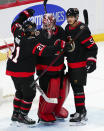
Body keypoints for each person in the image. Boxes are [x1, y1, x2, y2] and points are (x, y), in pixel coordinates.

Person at [6, 9, 65, 125]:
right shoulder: (31, 42)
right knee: (29, 94)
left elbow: (16, 22)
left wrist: (25, 14)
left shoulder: (17, 32)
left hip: (11, 70)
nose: (35, 31)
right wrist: (59, 46)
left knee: (19, 92)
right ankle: (23, 116)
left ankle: (15, 114)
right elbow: (45, 51)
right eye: (33, 30)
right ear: (29, 31)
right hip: (24, 72)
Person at [36, 13, 73, 122]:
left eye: (48, 23)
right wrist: (56, 46)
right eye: (44, 23)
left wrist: (67, 45)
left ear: (53, 22)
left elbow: (65, 44)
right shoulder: (39, 34)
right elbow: (43, 50)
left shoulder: (60, 30)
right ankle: (43, 112)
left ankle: (57, 109)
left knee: (61, 90)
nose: (46, 26)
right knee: (48, 93)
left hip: (59, 68)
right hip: (45, 70)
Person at [65, 8, 98, 123]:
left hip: (80, 65)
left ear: (77, 17)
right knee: (75, 88)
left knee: (78, 88)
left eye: (72, 17)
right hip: (71, 64)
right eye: (68, 17)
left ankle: (81, 112)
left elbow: (93, 47)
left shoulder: (82, 30)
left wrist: (91, 61)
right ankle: (80, 110)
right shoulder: (67, 28)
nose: (69, 19)